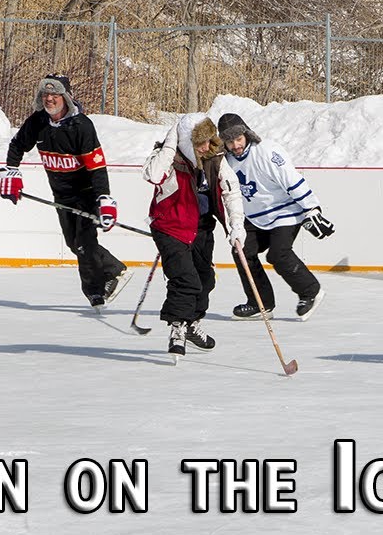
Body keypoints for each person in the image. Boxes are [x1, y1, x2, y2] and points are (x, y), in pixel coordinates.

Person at [0, 74, 128, 309]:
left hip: (85, 193)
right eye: (46, 94)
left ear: (66, 97)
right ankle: (113, 269)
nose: (49, 99)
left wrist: (104, 198)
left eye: (55, 95)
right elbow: (17, 145)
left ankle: (95, 293)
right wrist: (11, 172)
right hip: (61, 194)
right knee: (73, 244)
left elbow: (97, 166)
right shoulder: (38, 122)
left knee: (84, 244)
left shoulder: (82, 126)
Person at [142, 113, 246, 359]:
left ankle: (192, 323)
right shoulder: (168, 157)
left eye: (210, 141)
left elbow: (231, 192)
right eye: (200, 142)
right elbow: (152, 175)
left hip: (201, 227)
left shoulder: (214, 159)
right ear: (187, 142)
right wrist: (171, 142)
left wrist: (237, 226)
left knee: (205, 280)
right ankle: (177, 328)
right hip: (170, 228)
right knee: (185, 280)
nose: (206, 147)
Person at [216, 113, 335, 322]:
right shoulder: (226, 160)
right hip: (254, 216)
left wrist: (312, 208)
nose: (235, 145)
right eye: (230, 141)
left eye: (239, 139)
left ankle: (310, 291)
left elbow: (292, 179)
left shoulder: (266, 151)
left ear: (247, 134)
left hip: (285, 211)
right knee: (242, 251)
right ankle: (260, 303)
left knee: (278, 254)